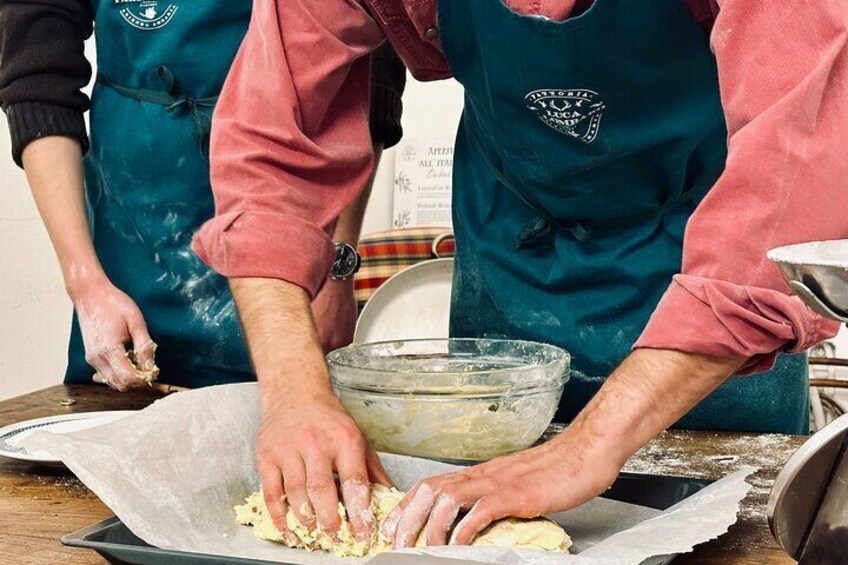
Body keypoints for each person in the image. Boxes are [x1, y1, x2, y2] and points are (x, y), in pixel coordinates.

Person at [195, 0, 848, 550]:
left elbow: (804, 175)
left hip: (713, 264)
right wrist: (293, 392)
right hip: (514, 245)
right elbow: (270, 152)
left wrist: (588, 444)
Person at [0, 0, 406, 390]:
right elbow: (37, 81)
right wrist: (86, 285)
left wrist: (337, 267)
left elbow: (367, 74)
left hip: (290, 233)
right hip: (134, 239)